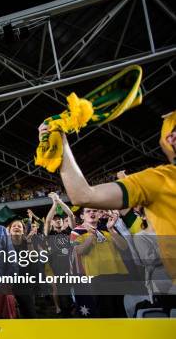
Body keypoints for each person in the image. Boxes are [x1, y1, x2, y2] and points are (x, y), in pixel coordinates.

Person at [38, 110, 176, 282]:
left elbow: (83, 195)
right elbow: (82, 197)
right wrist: (61, 140)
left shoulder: (159, 179)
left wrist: (61, 141)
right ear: (172, 139)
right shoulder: (160, 179)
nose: (94, 213)